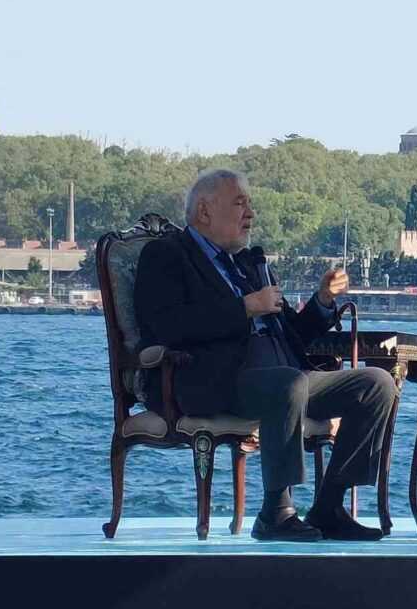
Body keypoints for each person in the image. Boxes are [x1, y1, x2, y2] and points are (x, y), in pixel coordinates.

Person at [134, 168, 396, 542]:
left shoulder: (248, 262)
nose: (250, 214)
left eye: (249, 204)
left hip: (283, 372)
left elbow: (293, 334)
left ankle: (329, 506)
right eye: (239, 203)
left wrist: (323, 300)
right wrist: (244, 308)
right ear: (205, 211)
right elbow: (166, 325)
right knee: (287, 384)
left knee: (376, 383)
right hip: (216, 377)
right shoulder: (166, 254)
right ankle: (276, 512)